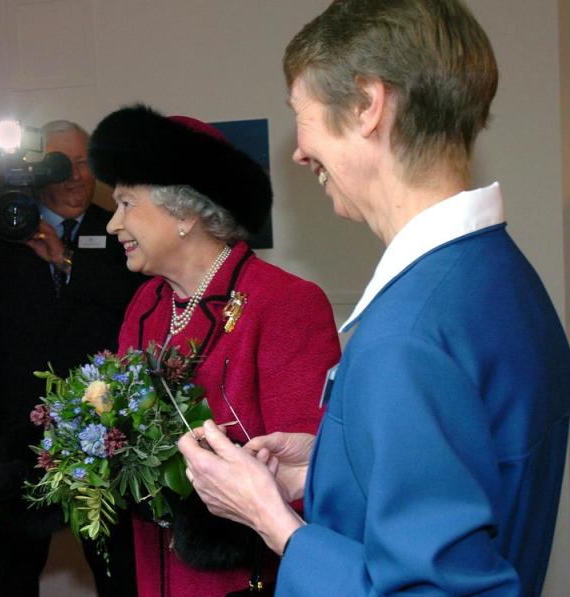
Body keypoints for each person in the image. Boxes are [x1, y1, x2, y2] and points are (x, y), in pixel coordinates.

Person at [179, 1, 570, 595]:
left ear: (367, 105)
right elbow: (471, 478)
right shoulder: (501, 276)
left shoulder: (408, 334)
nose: (299, 153)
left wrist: (273, 521)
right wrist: (327, 465)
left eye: (300, 115)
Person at [88, 104, 341, 596]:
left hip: (248, 578)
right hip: (155, 571)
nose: (113, 225)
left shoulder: (285, 303)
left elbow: (317, 478)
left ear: (183, 212)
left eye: (126, 204)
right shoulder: (146, 305)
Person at [0, 120, 144, 596]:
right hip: (16, 435)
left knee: (118, 573)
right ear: (37, 171)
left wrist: (66, 261)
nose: (77, 176)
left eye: (85, 163)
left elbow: (136, 307)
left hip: (101, 432)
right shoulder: (6, 232)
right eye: (63, 164)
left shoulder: (120, 230)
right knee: (14, 578)